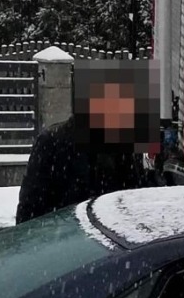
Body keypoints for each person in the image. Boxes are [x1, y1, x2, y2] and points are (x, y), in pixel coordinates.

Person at [16, 60, 159, 223]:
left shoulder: (122, 148)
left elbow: (139, 197)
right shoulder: (53, 143)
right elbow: (30, 208)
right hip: (64, 239)